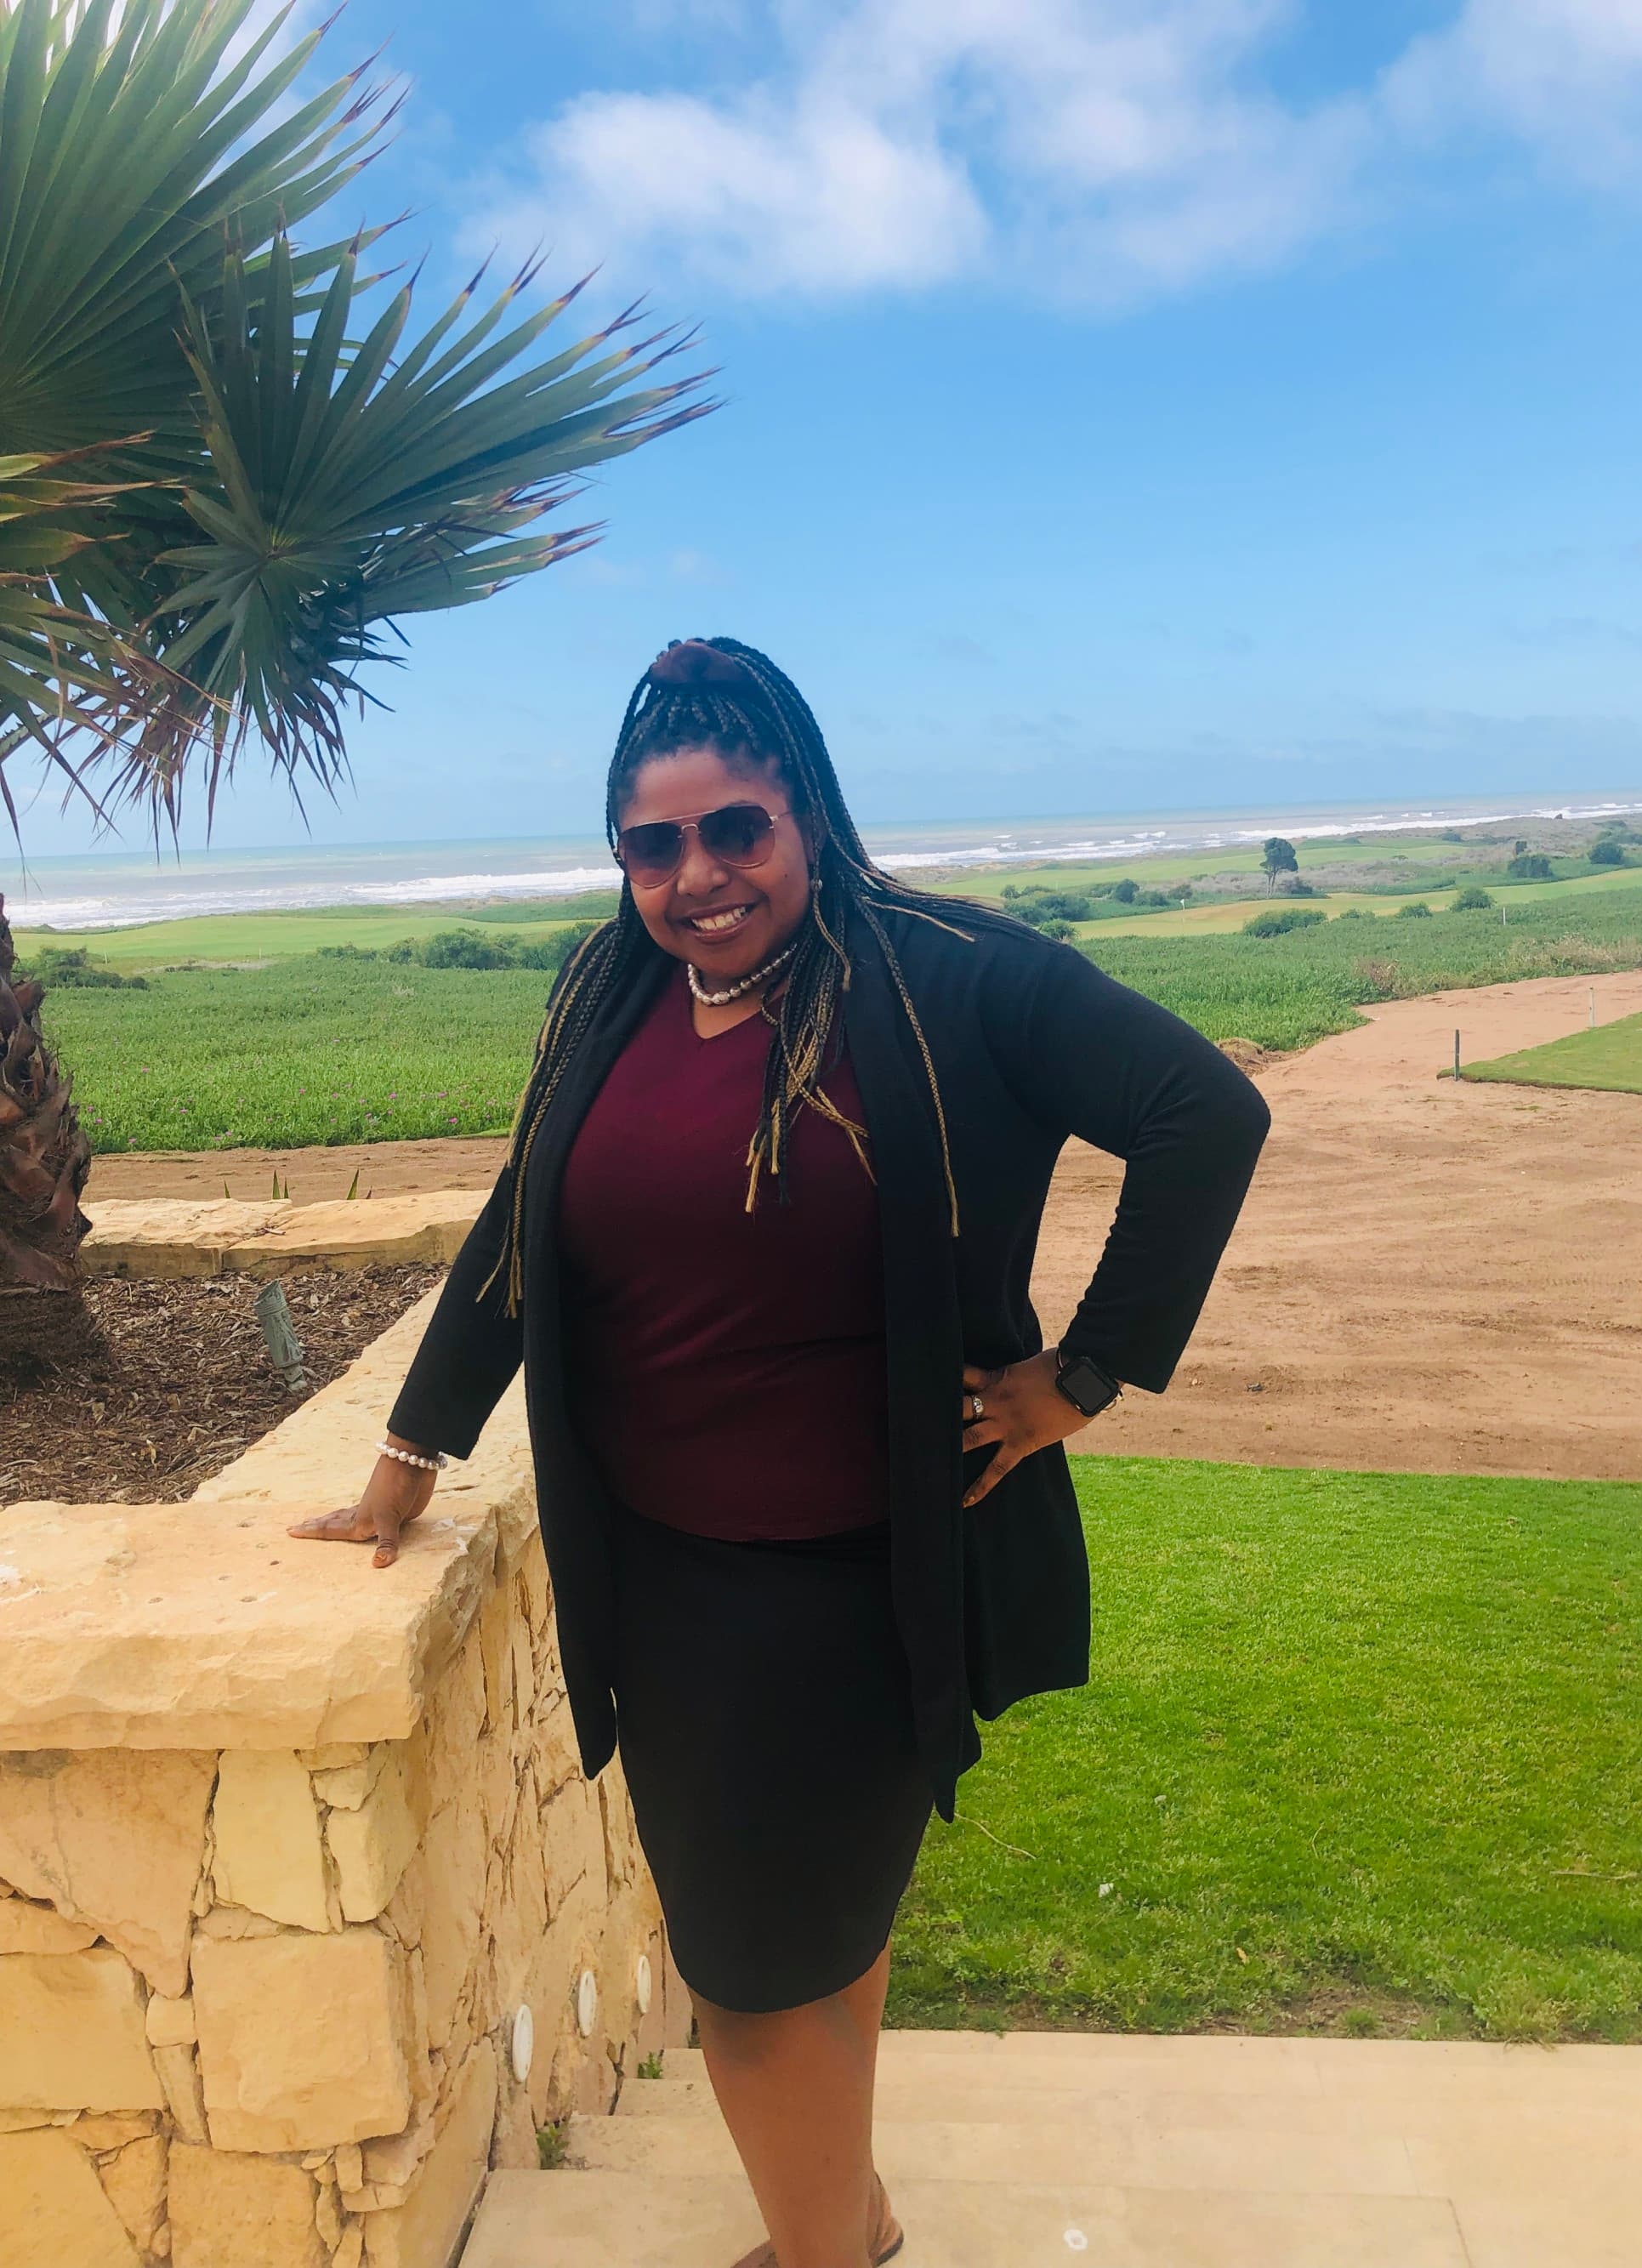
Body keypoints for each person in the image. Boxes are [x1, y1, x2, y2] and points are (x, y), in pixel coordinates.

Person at [292, 636, 1270, 2268]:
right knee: (812, 1950)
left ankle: (826, 2255)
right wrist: (412, 1448)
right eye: (652, 846)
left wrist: (1078, 1380)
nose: (697, 877)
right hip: (665, 1582)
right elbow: (519, 1230)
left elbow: (1203, 1112)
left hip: (849, 1589)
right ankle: (853, 2218)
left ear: (804, 811)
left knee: (748, 1999)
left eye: (734, 828)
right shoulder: (611, 988)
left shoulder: (945, 974)